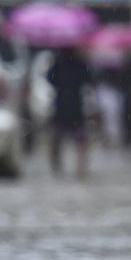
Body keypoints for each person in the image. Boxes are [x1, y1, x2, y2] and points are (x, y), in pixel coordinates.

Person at [46, 46, 93, 178]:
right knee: (77, 138)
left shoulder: (58, 63)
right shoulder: (78, 64)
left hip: (63, 105)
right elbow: (88, 79)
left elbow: (50, 79)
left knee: (58, 138)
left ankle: (59, 166)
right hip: (73, 105)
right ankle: (80, 167)